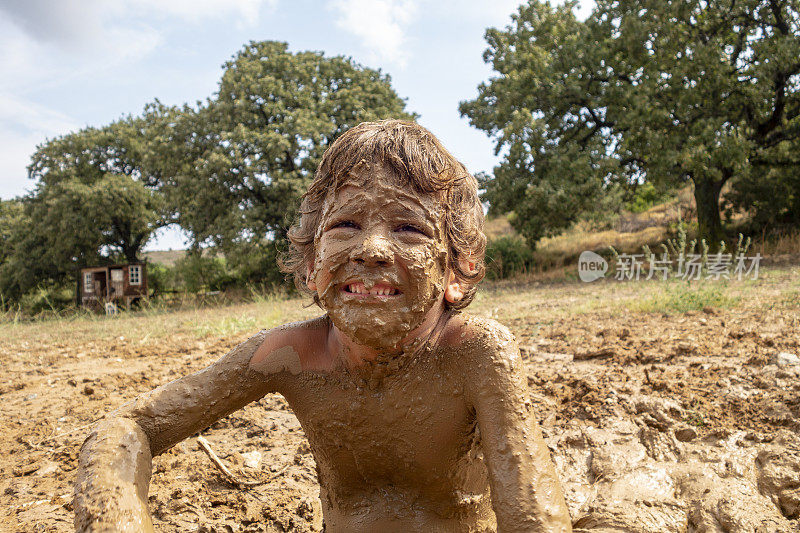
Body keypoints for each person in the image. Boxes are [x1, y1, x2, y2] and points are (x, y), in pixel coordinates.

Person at [74, 120, 572, 532]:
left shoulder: (477, 353)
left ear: (455, 273)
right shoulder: (291, 354)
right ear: (313, 268)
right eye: (344, 226)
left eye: (409, 228)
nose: (371, 249)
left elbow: (533, 517)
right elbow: (128, 425)